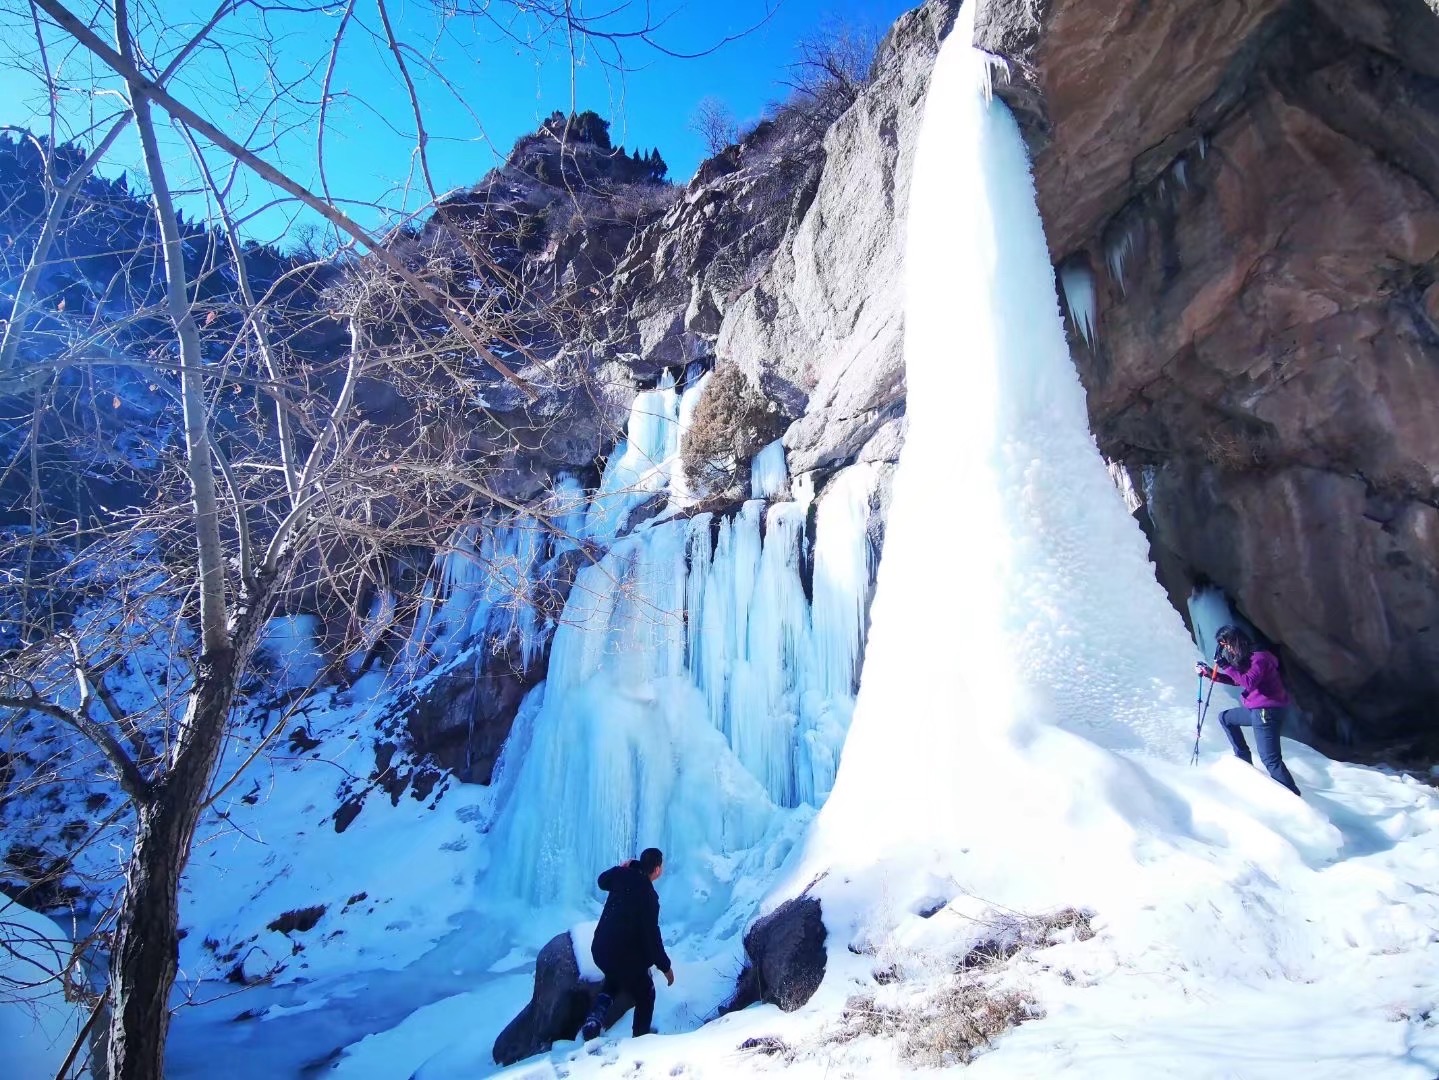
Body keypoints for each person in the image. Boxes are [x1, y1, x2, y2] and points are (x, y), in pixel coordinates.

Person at [579, 847, 674, 1041]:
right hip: (624, 956)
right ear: (656, 870)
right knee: (646, 992)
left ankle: (595, 1019)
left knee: (613, 979)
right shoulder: (649, 896)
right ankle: (640, 1038)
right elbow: (652, 937)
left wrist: (622, 868)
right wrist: (665, 967)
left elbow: (601, 881)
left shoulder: (621, 875)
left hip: (600, 949)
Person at [1196, 624, 1301, 796]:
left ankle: (1295, 798)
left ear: (1236, 640)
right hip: (1258, 710)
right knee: (1226, 718)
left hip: (1266, 712)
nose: (1226, 648)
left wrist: (1225, 665)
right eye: (1223, 645)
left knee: (1270, 759)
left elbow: (1248, 682)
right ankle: (1245, 764)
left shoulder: (1260, 658)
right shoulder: (1250, 658)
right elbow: (1239, 681)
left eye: (1227, 643)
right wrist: (1209, 673)